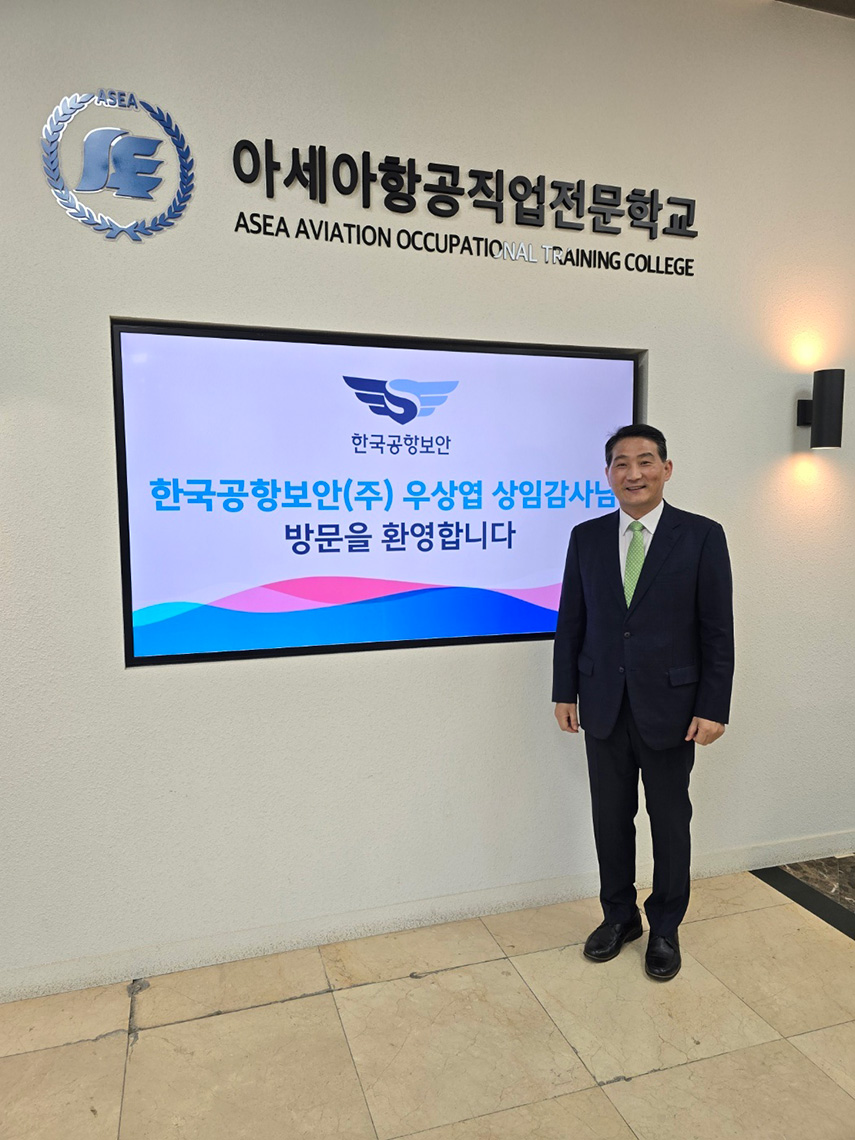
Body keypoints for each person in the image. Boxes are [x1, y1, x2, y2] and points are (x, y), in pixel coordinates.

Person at [553, 425, 733, 981]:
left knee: (670, 820)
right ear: (608, 474)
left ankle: (665, 927)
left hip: (673, 709)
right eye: (621, 463)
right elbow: (572, 621)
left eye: (646, 461)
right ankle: (619, 917)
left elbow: (717, 630)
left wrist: (714, 705)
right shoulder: (586, 537)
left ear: (666, 469)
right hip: (602, 702)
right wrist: (564, 691)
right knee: (610, 818)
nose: (634, 473)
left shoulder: (701, 536)